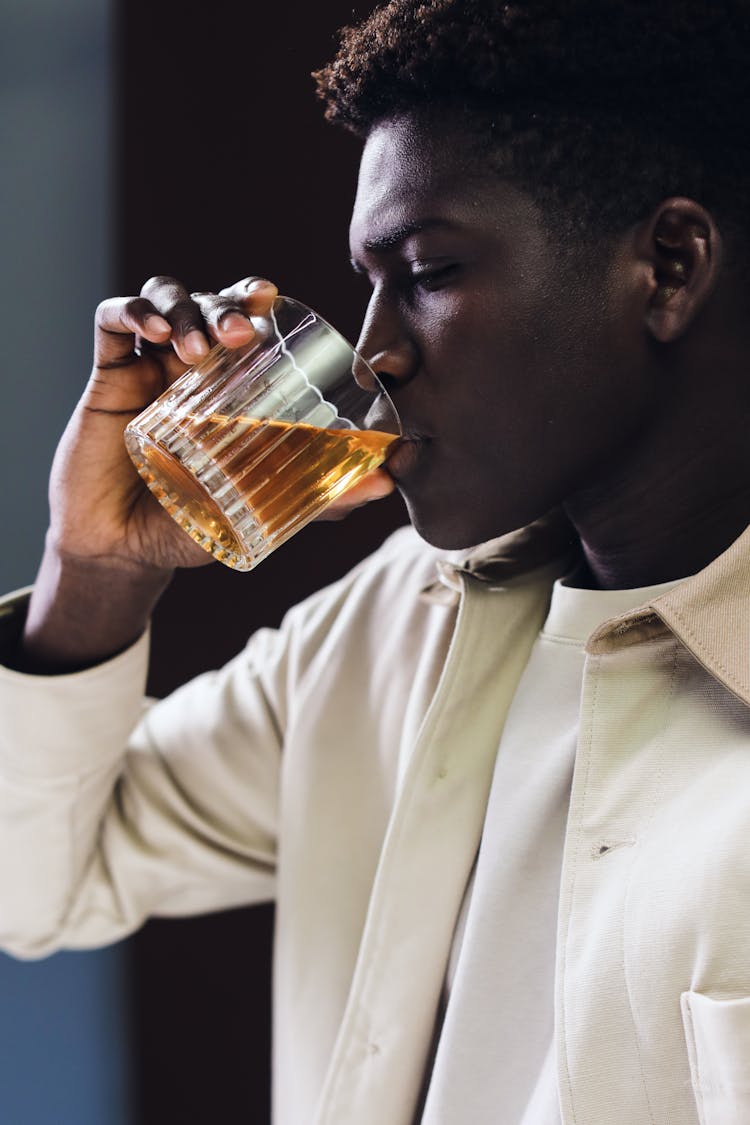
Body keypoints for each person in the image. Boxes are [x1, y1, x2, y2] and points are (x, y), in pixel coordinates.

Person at [2, 1, 750, 1121]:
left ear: (668, 266)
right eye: (370, 280)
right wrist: (95, 571)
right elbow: (33, 885)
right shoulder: (388, 628)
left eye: (430, 270)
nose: (376, 349)